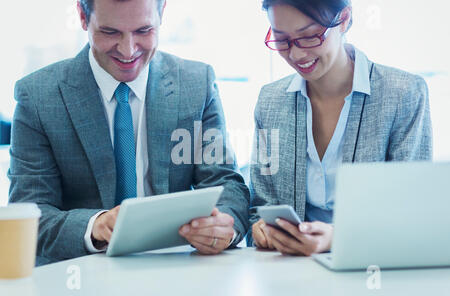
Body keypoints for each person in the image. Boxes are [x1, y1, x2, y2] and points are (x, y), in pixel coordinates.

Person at [8, 0, 249, 266]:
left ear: (162, 13)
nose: (128, 49)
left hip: (177, 268)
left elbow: (226, 184)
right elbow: (30, 214)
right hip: (78, 275)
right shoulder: (39, 96)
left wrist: (223, 227)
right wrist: (95, 226)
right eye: (110, 32)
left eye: (143, 31)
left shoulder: (196, 83)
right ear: (82, 16)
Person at [249, 0, 432, 255]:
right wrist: (260, 229)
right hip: (289, 273)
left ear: (344, 19)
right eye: (282, 40)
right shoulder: (270, 101)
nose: (296, 54)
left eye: (309, 36)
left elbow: (411, 213)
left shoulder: (403, 94)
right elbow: (260, 205)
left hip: (373, 269)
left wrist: (339, 239)